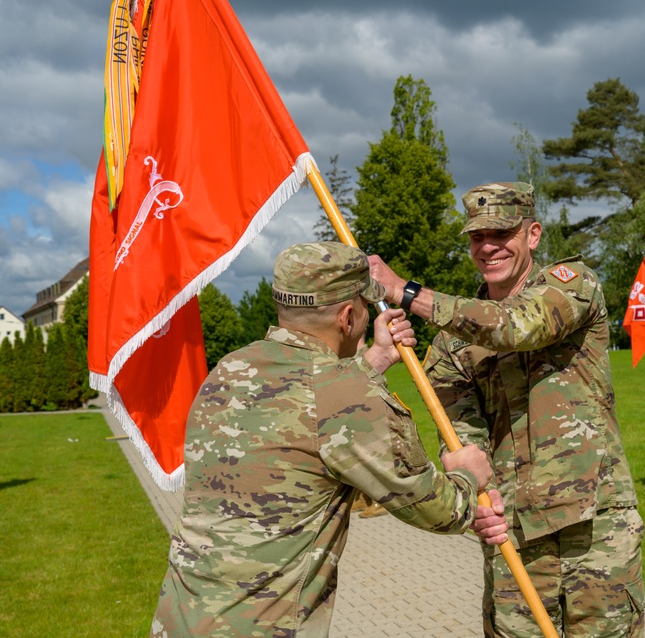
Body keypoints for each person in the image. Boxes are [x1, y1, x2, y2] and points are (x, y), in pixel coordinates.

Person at [151, 242, 501, 637]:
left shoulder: (231, 368)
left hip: (181, 618)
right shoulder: (346, 399)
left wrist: (375, 362)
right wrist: (469, 477)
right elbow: (441, 511)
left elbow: (307, 413)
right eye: (365, 307)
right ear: (348, 316)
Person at [369, 182, 644, 637]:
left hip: (595, 527)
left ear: (532, 234)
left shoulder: (572, 286)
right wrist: (480, 493)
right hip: (512, 530)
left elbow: (518, 326)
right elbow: (460, 434)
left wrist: (406, 291)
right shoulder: (451, 343)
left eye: (501, 233)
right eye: (477, 237)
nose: (488, 246)